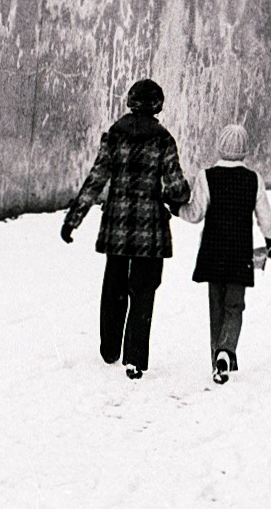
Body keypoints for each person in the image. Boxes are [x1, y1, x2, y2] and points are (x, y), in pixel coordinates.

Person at [61, 79, 190, 381]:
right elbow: (176, 186)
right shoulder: (163, 139)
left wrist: (73, 218)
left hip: (117, 226)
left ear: (131, 102)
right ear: (158, 105)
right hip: (149, 230)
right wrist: (178, 197)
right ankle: (134, 359)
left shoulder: (115, 135)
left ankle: (109, 348)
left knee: (114, 285)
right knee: (144, 290)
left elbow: (96, 179)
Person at [180, 122, 271, 384]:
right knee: (234, 306)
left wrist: (176, 209)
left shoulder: (206, 176)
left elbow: (195, 213)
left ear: (220, 146)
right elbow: (265, 216)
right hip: (239, 252)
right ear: (245, 150)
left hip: (213, 250)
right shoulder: (252, 179)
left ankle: (217, 358)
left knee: (216, 305)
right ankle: (227, 350)